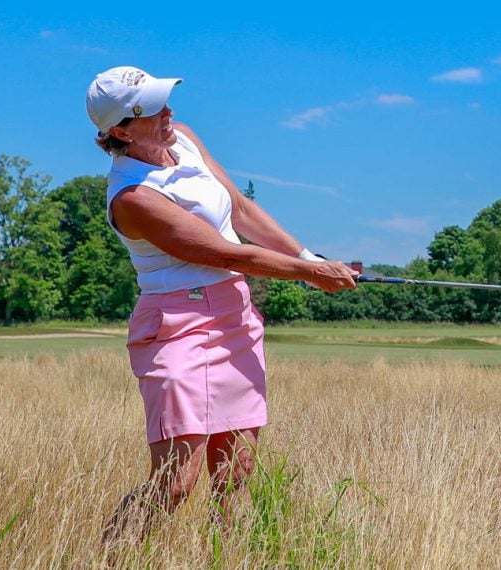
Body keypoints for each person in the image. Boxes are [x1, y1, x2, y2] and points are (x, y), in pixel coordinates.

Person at [85, 66, 358, 541]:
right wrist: (311, 274)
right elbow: (226, 252)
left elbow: (243, 211)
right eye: (152, 108)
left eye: (165, 100)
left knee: (237, 471)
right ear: (120, 131)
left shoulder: (183, 138)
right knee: (175, 482)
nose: (169, 111)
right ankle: (111, 557)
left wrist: (311, 259)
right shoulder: (131, 198)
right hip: (176, 326)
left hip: (234, 316)